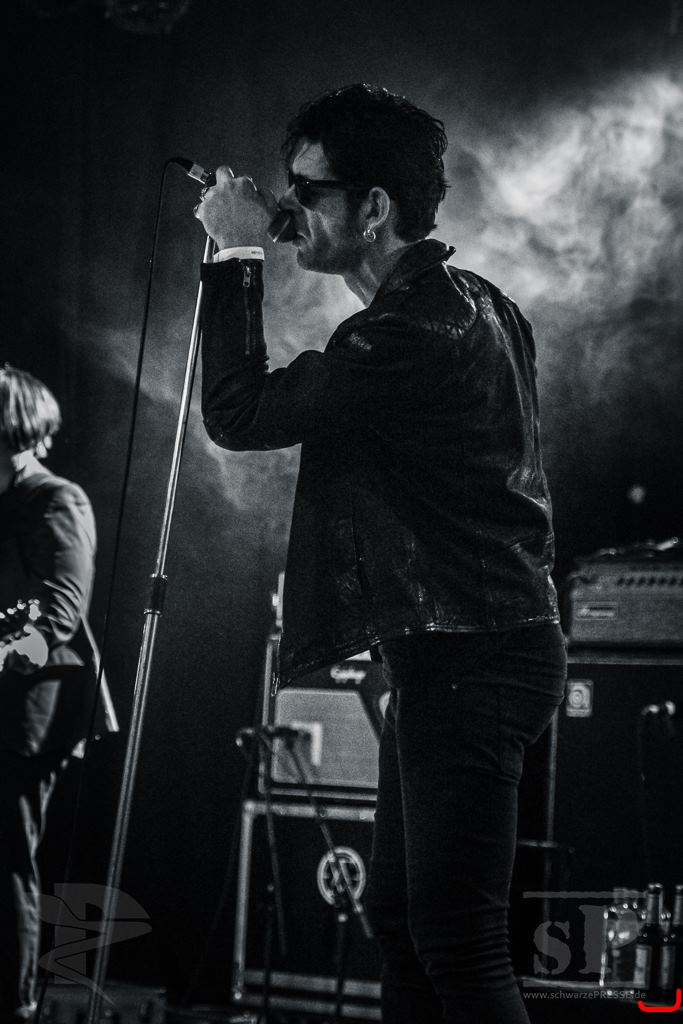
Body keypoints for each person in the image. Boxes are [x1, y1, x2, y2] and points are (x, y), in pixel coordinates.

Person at [195, 84, 567, 1024]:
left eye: (308, 190)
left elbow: (239, 414)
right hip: (456, 651)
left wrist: (236, 252)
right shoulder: (469, 304)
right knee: (404, 925)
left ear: (372, 209)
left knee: (457, 942)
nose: (288, 206)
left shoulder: (413, 331)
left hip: (475, 655)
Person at [0, 365, 117, 1024]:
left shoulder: (55, 500)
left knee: (5, 863)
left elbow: (57, 620)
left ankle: (14, 1005)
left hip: (26, 715)